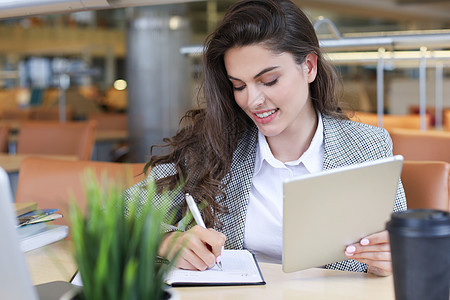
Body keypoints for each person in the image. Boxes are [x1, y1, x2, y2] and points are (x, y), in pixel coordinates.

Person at [124, 0, 406, 277]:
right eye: (238, 86)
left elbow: (402, 251)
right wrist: (164, 242)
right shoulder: (212, 144)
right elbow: (114, 217)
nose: (252, 100)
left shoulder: (368, 146)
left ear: (308, 66)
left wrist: (390, 261)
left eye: (269, 81)